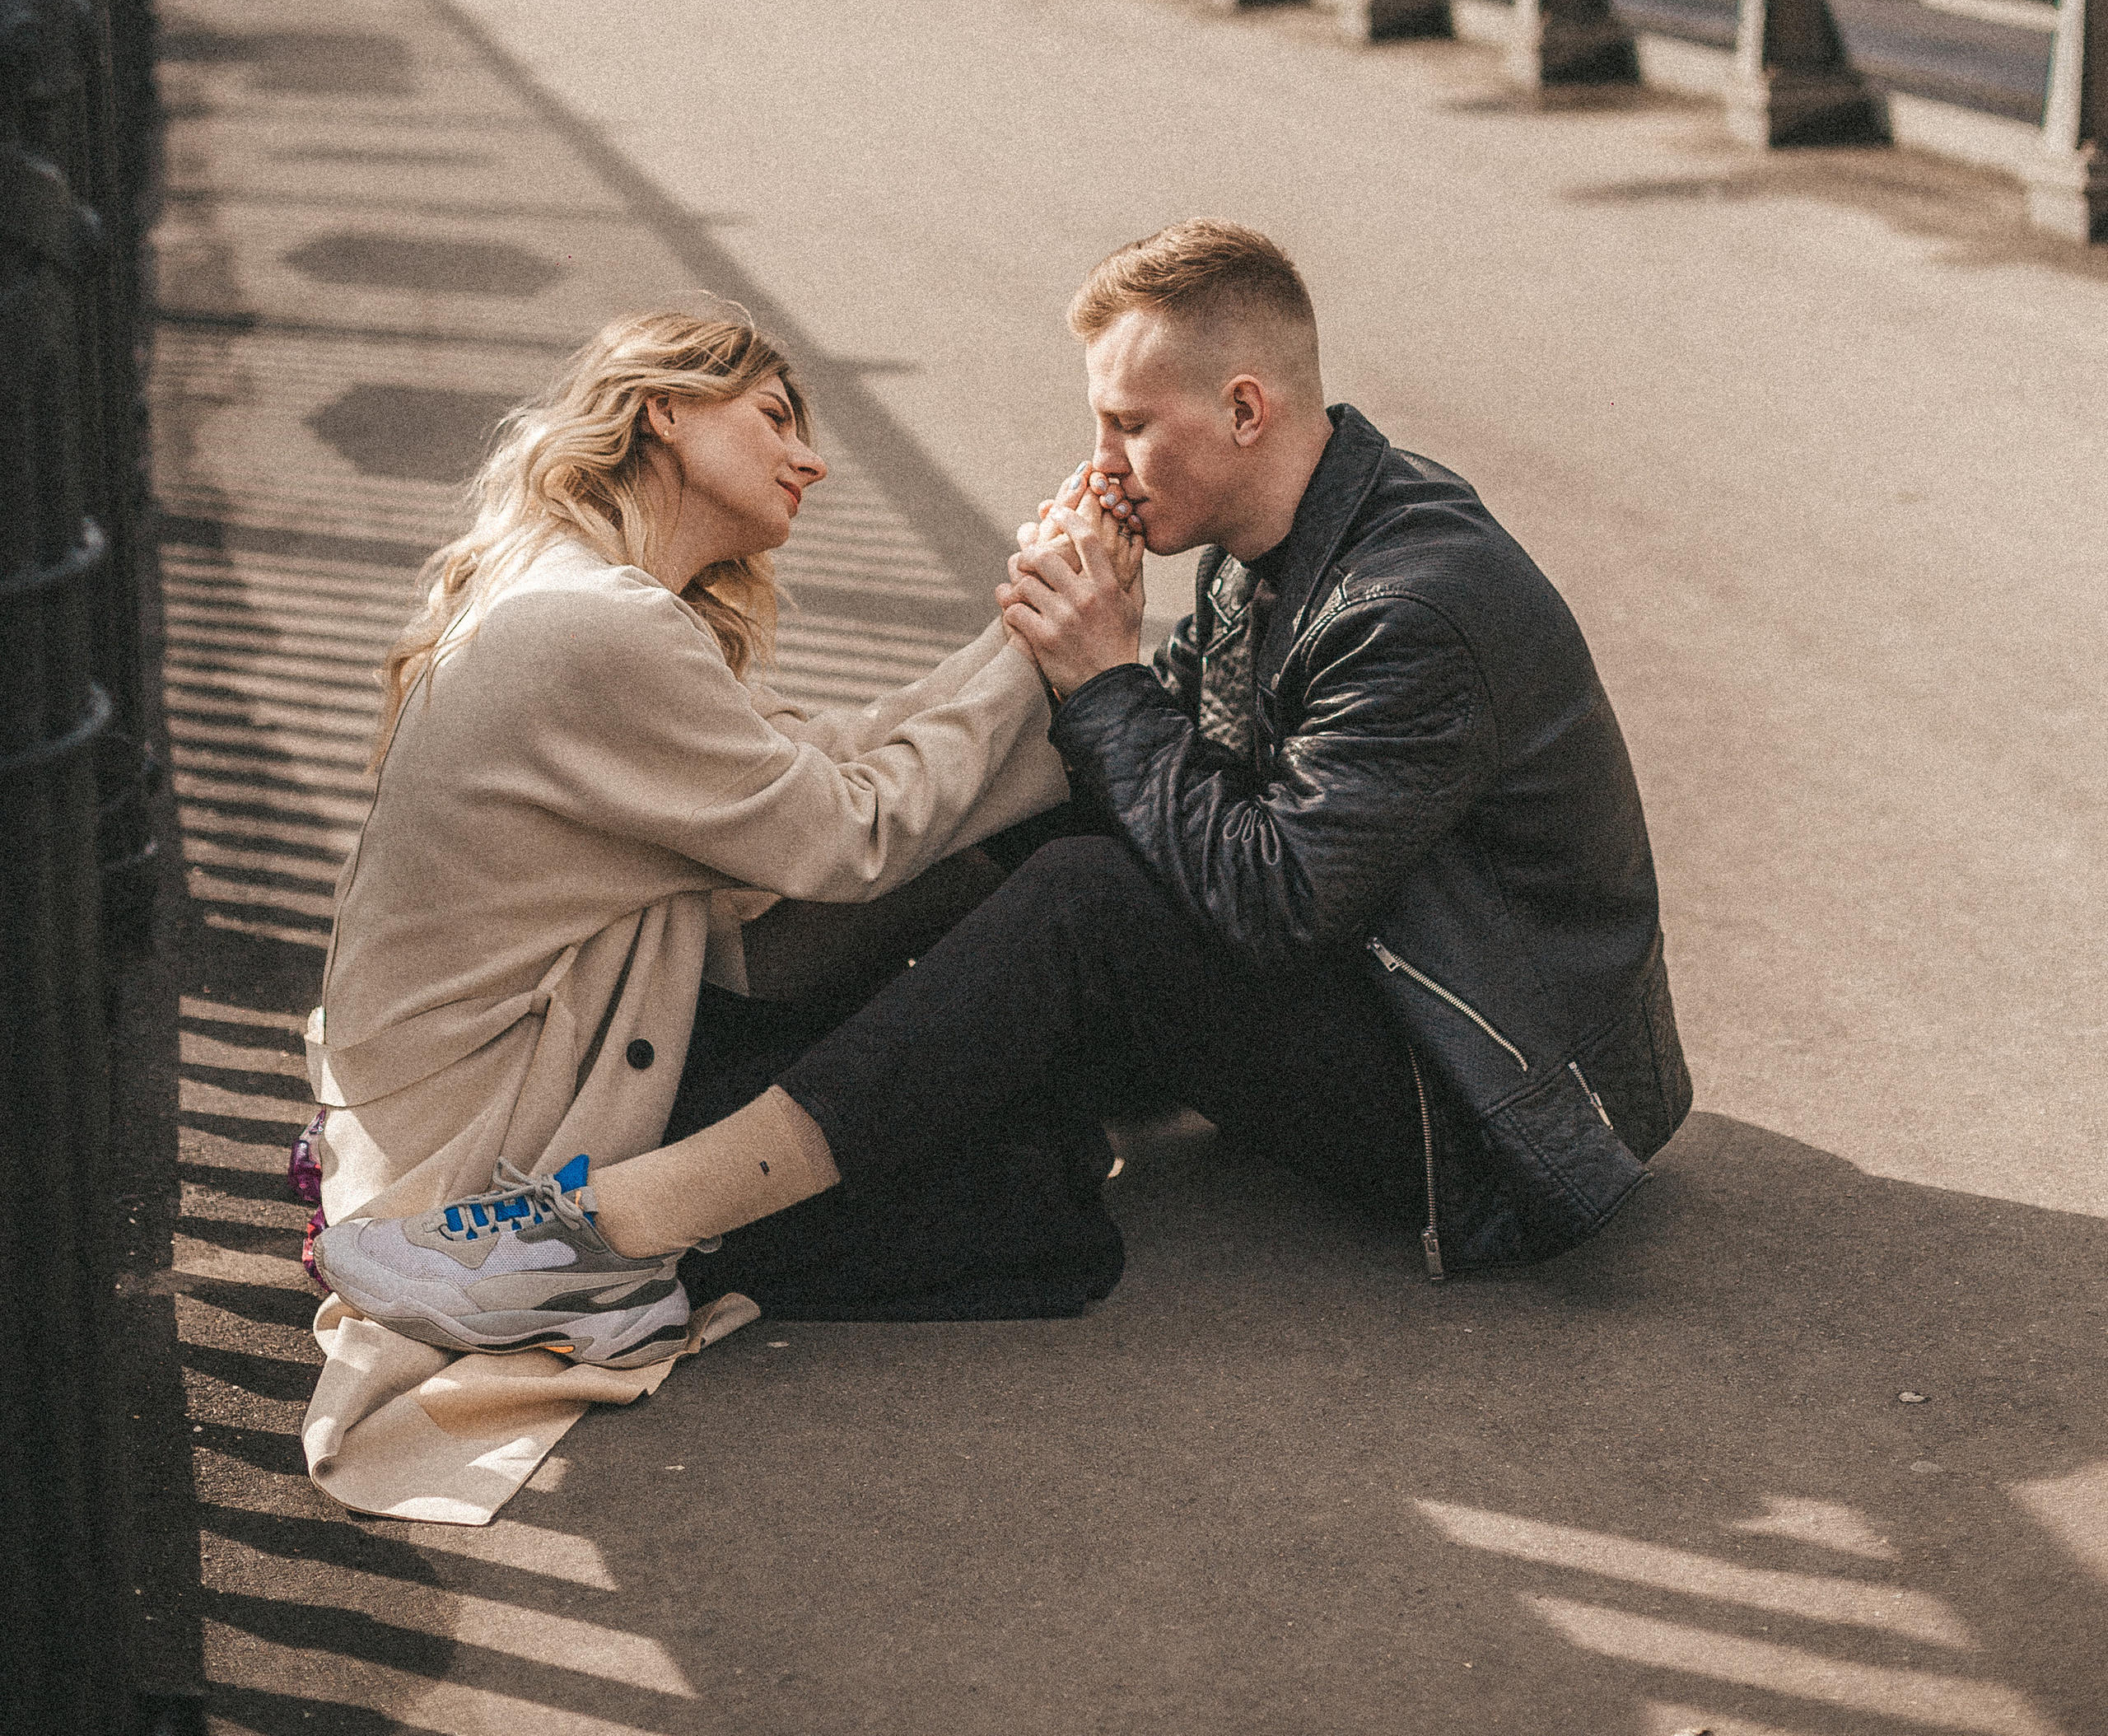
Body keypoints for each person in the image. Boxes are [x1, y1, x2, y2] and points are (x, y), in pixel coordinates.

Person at [318, 220, 1690, 1363]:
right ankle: (860, 1154)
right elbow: (1131, 789)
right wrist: (1081, 684)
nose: (1101, 466)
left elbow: (1272, 903)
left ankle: (612, 1236)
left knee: (1089, 889)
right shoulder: (1268, 550)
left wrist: (1096, 681)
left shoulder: (1410, 605)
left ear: (1246, 410)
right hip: (1387, 998)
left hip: (1491, 1114)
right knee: (1071, 813)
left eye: (1125, 425)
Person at [301, 306, 1129, 1454]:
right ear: (667, 409)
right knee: (1013, 1166)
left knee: (1005, 920)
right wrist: (1050, 646)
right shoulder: (597, 627)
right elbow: (853, 836)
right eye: (776, 415)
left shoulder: (582, 591)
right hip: (504, 1133)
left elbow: (830, 759)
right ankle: (587, 1247)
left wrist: (1036, 626)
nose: (812, 458)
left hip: (510, 1069)